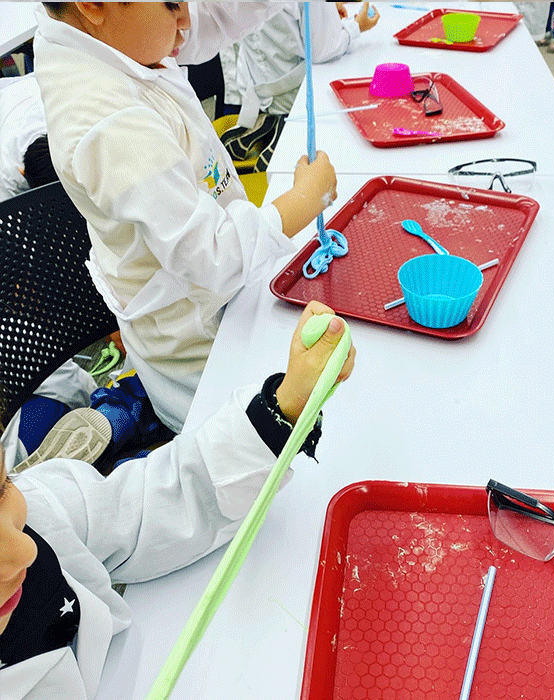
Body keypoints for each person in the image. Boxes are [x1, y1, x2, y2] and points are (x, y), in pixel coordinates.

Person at [0, 301, 356, 698]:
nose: (26, 551)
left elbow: (152, 504)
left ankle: (116, 417)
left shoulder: (40, 514)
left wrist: (286, 406)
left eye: (2, 488)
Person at [33, 2, 339, 435]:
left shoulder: (113, 33)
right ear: (94, 6)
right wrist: (305, 199)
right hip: (204, 360)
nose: (187, 18)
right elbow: (210, 257)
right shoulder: (110, 123)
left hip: (226, 294)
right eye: (173, 3)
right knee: (292, 437)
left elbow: (207, 18)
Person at [222, 1, 380, 171]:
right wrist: (356, 27)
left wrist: (326, 13)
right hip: (294, 96)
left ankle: (268, 130)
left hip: (256, 87)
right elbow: (323, 51)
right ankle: (279, 144)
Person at [0, 73, 57, 203]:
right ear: (22, 172)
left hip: (35, 85)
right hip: (6, 94)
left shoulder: (66, 138)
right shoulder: (7, 174)